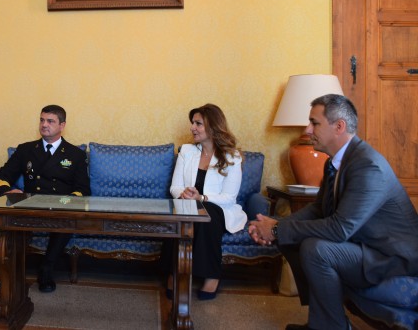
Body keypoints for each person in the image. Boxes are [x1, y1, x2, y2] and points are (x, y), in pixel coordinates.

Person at [249, 94, 418, 330]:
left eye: (314, 123)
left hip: (392, 258)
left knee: (316, 249)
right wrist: (275, 225)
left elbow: (339, 229)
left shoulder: (367, 165)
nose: (307, 130)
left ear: (339, 126)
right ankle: (322, 322)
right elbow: (319, 209)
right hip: (365, 246)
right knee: (291, 237)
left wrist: (277, 229)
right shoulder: (335, 162)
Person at [0, 104, 90, 293]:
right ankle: (10, 271)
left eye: (50, 121)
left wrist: (67, 202)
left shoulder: (75, 154)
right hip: (30, 204)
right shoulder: (26, 150)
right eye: (42, 120)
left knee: (67, 220)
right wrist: (7, 191)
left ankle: (46, 269)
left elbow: (83, 189)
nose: (44, 125)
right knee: (9, 218)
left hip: (60, 206)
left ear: (62, 125)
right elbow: (1, 176)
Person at [164, 104, 245, 300]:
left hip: (219, 210)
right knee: (177, 218)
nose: (192, 127)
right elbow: (174, 187)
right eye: (193, 123)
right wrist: (185, 193)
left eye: (198, 123)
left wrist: (201, 197)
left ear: (213, 126)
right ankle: (175, 273)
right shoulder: (187, 151)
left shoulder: (232, 157)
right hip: (187, 206)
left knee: (207, 213)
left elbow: (229, 197)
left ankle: (211, 276)